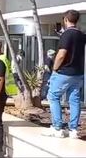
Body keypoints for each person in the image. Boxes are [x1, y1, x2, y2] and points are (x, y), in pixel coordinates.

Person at [42, 10, 85, 139]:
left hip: (64, 72)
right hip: (78, 73)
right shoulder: (81, 35)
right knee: (74, 100)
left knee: (53, 96)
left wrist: (54, 69)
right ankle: (73, 130)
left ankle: (57, 128)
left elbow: (61, 54)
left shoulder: (67, 35)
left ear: (66, 20)